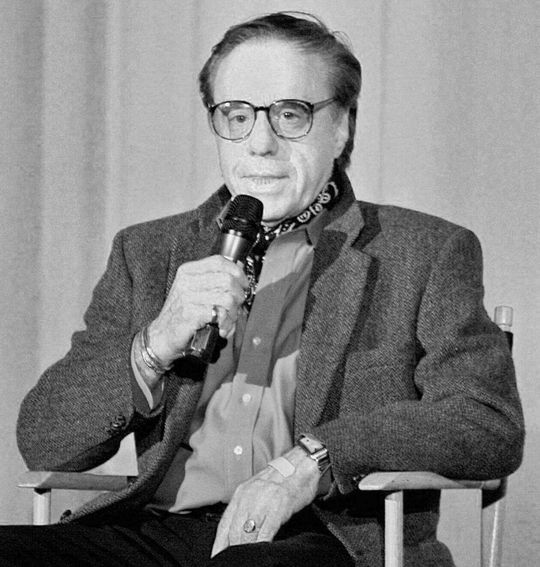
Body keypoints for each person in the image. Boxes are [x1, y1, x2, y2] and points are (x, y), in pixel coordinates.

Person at [5, 11, 524, 567]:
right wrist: (153, 347)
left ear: (342, 127)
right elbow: (45, 440)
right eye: (236, 115)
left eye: (290, 114)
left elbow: (485, 422)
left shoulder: (422, 251)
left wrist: (313, 461)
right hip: (164, 533)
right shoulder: (149, 252)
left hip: (327, 540)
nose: (259, 143)